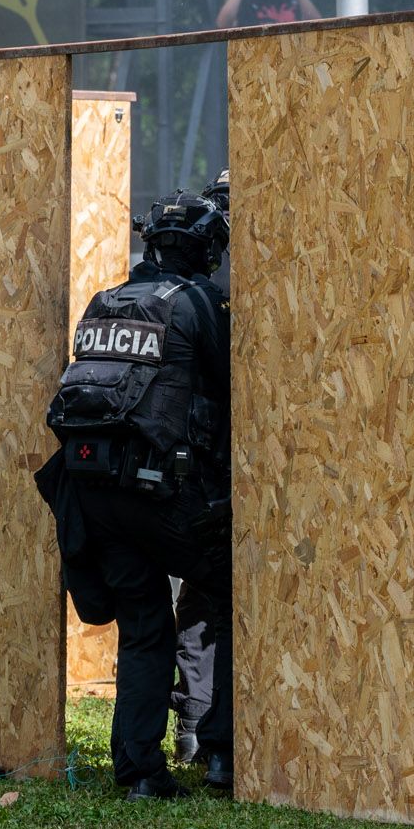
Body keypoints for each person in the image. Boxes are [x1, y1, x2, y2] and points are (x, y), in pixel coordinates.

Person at [41, 190, 233, 799]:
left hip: (95, 497)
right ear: (209, 250)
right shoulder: (199, 303)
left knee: (144, 624)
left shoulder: (105, 301)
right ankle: (223, 752)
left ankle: (141, 772)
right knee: (235, 591)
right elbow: (235, 383)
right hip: (165, 495)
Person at [168, 169, 230, 763]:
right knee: (210, 593)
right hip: (209, 461)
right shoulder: (203, 294)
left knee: (202, 597)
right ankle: (208, 738)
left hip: (206, 458)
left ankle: (198, 733)